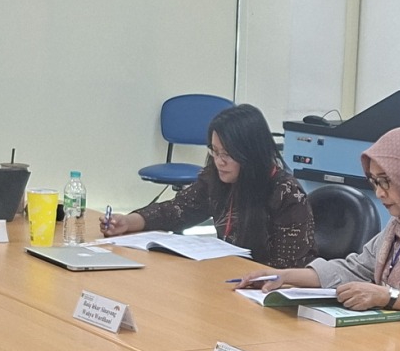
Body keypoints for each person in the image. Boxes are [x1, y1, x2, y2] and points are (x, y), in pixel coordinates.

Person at [235, 126, 400, 333]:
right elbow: (356, 268)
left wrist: (387, 296)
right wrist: (284, 277)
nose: (380, 193)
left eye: (387, 182)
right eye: (374, 181)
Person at [97, 103, 315, 268]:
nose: (219, 161)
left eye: (227, 154)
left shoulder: (286, 193)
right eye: (214, 151)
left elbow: (288, 269)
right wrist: (128, 221)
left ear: (251, 153)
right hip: (228, 277)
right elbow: (176, 210)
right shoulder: (217, 178)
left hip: (265, 293)